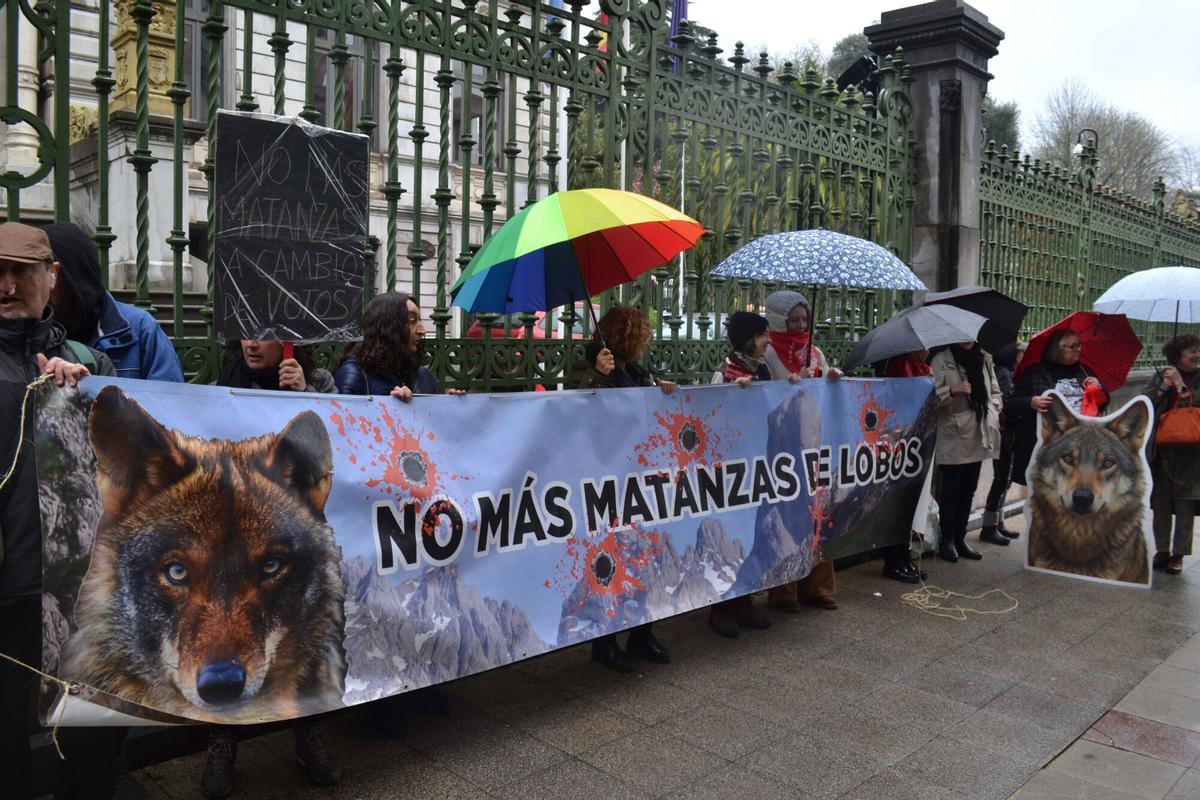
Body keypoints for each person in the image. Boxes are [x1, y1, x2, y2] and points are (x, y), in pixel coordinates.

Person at [0, 222, 116, 800]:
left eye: (21, 271)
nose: (7, 284)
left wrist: (87, 397)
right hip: (8, 587)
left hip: (78, 590)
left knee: (90, 732)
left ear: (52, 279)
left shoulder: (87, 363)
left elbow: (128, 462)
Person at [205, 341, 340, 798]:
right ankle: (223, 742)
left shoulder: (318, 382)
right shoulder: (222, 384)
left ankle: (308, 735)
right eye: (244, 332)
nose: (251, 343)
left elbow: (344, 432)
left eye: (263, 334)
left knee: (304, 639)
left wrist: (307, 395)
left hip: (291, 540)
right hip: (231, 543)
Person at [335, 291, 460, 728]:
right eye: (410, 319)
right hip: (374, 515)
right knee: (379, 604)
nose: (420, 328)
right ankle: (378, 701)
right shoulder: (354, 374)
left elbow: (438, 434)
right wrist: (387, 407)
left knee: (419, 596)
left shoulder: (420, 373)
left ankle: (420, 683)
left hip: (415, 510)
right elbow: (344, 435)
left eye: (419, 319)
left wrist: (451, 406)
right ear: (389, 325)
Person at [571, 304, 675, 669]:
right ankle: (606, 642)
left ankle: (642, 634)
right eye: (641, 334)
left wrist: (660, 390)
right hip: (607, 477)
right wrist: (598, 377)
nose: (645, 343)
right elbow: (576, 408)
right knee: (611, 559)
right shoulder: (591, 366)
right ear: (628, 336)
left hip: (636, 477)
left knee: (644, 553)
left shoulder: (633, 370)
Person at [761, 290, 841, 611]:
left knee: (819, 513)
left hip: (814, 443)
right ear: (778, 320)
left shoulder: (814, 352)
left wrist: (832, 377)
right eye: (793, 320)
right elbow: (764, 394)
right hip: (783, 444)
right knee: (786, 516)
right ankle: (784, 589)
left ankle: (817, 586)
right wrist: (794, 382)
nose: (799, 325)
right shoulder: (768, 354)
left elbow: (824, 382)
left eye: (804, 319)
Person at [706, 310, 777, 638]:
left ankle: (745, 600)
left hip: (757, 467)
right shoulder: (725, 373)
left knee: (753, 536)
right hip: (731, 472)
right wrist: (736, 395)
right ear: (747, 339)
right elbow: (712, 419)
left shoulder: (764, 371)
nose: (768, 341)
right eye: (762, 335)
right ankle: (721, 608)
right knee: (730, 539)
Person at [44, 222, 184, 382]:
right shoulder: (36, 332)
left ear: (71, 275)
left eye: (47, 271)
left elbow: (168, 398)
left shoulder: (139, 329)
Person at [1008, 329, 1107, 493]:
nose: (1078, 350)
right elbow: (1011, 402)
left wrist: (1098, 387)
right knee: (1043, 493)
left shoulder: (1084, 371)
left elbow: (1102, 404)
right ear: (1057, 348)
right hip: (1045, 446)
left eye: (1079, 345)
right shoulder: (1035, 372)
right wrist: (1031, 402)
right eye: (1072, 346)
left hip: (1079, 448)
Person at [930, 341, 1002, 562]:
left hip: (980, 430)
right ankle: (947, 540)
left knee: (968, 489)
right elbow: (928, 396)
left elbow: (996, 391)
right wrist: (952, 390)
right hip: (953, 433)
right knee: (950, 490)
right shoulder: (941, 358)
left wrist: (994, 409)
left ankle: (961, 539)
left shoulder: (984, 357)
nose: (968, 338)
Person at [1144, 334, 1200, 575]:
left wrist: (1182, 387)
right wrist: (1162, 388)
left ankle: (1178, 555)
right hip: (1164, 448)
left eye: (1199, 350)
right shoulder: (1161, 375)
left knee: (1185, 503)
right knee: (1162, 502)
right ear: (1178, 355)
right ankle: (1162, 551)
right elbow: (1145, 404)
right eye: (1192, 350)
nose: (1197, 355)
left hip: (1192, 451)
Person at [875, 350, 932, 583]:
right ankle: (893, 560)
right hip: (897, 439)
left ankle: (904, 556)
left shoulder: (921, 367)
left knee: (909, 503)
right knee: (895, 504)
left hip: (914, 442)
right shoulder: (901, 366)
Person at [335, 292, 445, 399]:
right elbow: (342, 415)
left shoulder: (422, 374)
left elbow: (436, 414)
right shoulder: (354, 375)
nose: (422, 331)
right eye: (412, 321)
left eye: (419, 321)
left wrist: (453, 404)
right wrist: (390, 408)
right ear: (387, 328)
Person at [979, 341, 1027, 546]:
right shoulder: (1004, 374)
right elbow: (1007, 403)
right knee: (1001, 479)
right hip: (1003, 433)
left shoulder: (1011, 373)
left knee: (1005, 479)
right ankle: (989, 527)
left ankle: (997, 523)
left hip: (1009, 433)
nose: (1024, 357)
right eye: (1021, 354)